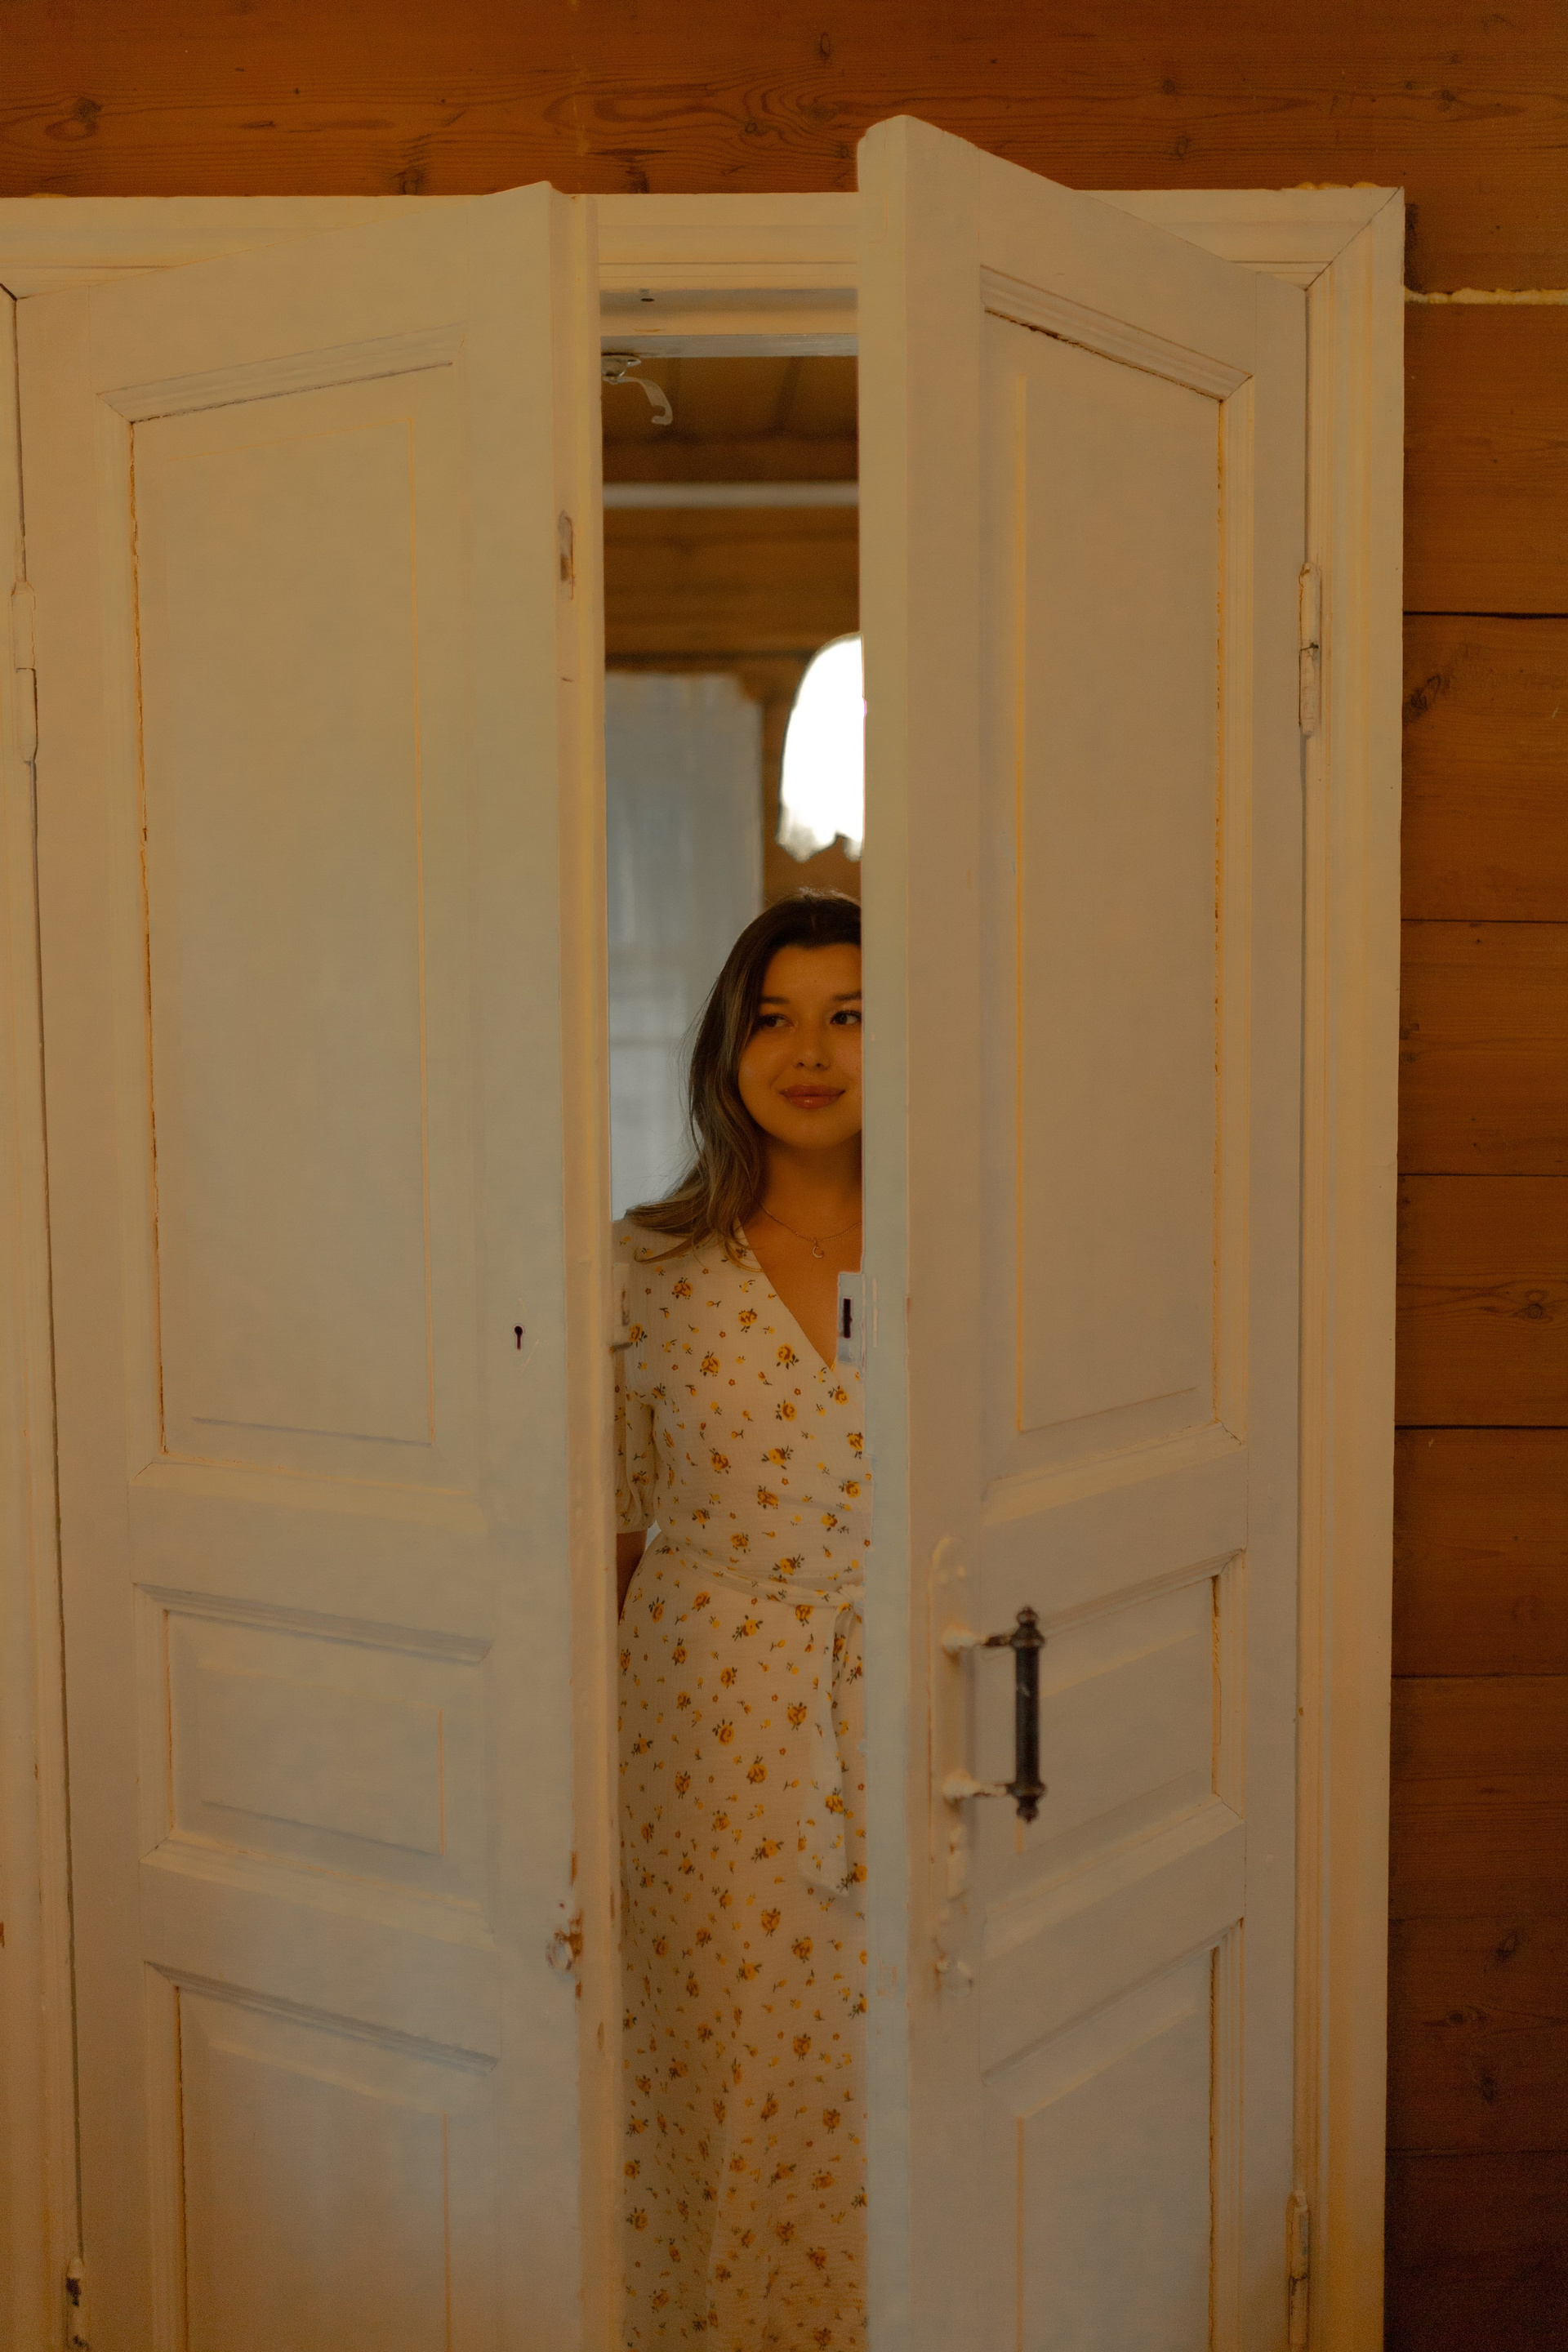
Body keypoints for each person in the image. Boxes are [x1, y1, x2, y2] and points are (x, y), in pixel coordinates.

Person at [614, 889, 868, 2347]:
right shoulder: (647, 1267)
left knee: (886, 2049)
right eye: (773, 1018)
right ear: (728, 1046)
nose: (809, 1052)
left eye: (849, 1016)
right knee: (719, 2053)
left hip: (924, 1701)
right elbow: (608, 1532)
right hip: (702, 1722)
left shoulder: (967, 1260)